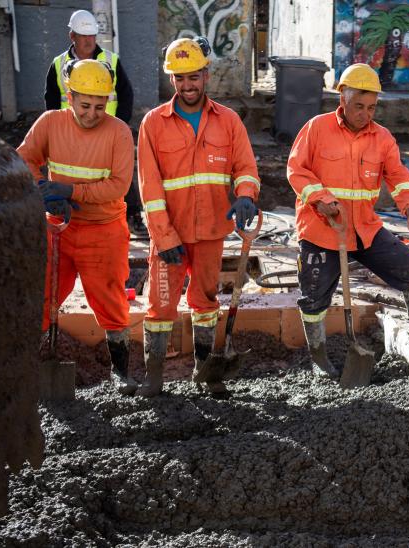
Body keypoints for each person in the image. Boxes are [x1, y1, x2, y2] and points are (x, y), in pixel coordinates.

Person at [287, 63, 409, 378]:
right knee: (313, 296)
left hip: (364, 230)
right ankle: (319, 359)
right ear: (341, 97)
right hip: (322, 232)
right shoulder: (316, 129)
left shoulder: (381, 137)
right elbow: (296, 171)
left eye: (371, 108)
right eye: (359, 106)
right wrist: (323, 200)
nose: (365, 114)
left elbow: (398, 177)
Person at [137, 37, 261, 398]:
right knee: (161, 305)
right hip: (169, 236)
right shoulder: (153, 124)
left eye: (193, 77)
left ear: (207, 75)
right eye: (179, 78)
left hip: (210, 230)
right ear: (171, 81)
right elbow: (149, 187)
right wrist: (163, 236)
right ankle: (154, 377)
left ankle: (206, 372)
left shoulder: (229, 121)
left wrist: (245, 197)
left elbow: (246, 168)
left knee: (206, 303)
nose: (187, 85)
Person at [19, 59, 137, 395]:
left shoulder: (117, 133)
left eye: (100, 106)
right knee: (44, 296)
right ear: (69, 97)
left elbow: (118, 185)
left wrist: (70, 191)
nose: (92, 113)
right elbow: (24, 158)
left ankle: (121, 371)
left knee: (111, 300)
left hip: (103, 231)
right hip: (59, 227)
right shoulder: (50, 123)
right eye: (85, 105)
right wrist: (43, 189)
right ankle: (31, 364)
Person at [43, 9, 147, 238]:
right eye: (84, 36)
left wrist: (119, 126)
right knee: (70, 173)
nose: (89, 40)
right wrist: (57, 131)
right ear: (73, 37)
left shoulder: (110, 61)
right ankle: (67, 212)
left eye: (92, 36)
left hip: (107, 130)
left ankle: (132, 214)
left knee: (119, 175)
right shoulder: (59, 64)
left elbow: (126, 95)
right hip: (70, 133)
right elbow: (51, 100)